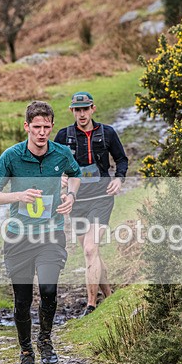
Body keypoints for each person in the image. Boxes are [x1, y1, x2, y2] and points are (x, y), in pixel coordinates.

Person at [0, 101, 82, 364]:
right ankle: (26, 352)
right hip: (18, 238)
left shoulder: (61, 153)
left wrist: (71, 196)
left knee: (49, 290)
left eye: (46, 127)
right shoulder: (11, 156)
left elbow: (76, 175)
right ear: (26, 126)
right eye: (36, 127)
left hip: (51, 234)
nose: (41, 133)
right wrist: (18, 196)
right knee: (23, 300)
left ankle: (46, 341)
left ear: (52, 127)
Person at [54, 91, 129, 317]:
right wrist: (60, 177)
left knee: (89, 249)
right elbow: (52, 164)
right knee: (92, 253)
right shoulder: (63, 136)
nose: (82, 114)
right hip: (76, 201)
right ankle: (110, 297)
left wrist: (119, 178)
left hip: (102, 198)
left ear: (92, 109)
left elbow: (122, 159)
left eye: (85, 109)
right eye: (78, 110)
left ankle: (91, 306)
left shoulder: (107, 133)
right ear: (72, 111)